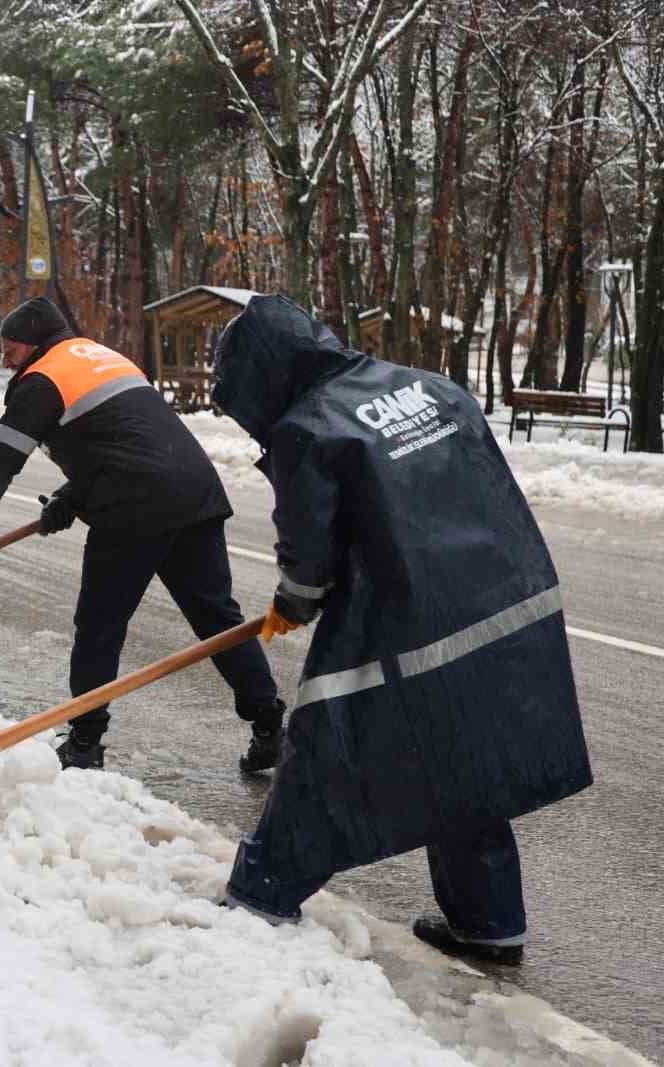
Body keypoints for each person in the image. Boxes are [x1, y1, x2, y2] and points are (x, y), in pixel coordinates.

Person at [212, 294, 592, 965]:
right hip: (510, 593)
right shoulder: (431, 387)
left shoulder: (309, 427)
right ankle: (490, 922)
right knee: (462, 753)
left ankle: (258, 894)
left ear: (260, 377)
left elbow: (310, 553)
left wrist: (294, 603)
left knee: (329, 740)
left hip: (413, 617)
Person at [0, 296, 284, 772]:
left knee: (99, 627)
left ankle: (84, 743)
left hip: (135, 509)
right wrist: (73, 497)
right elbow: (125, 441)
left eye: (11, 348)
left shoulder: (42, 380)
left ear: (36, 343)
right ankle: (269, 725)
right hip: (196, 494)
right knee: (218, 620)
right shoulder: (100, 357)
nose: (6, 359)